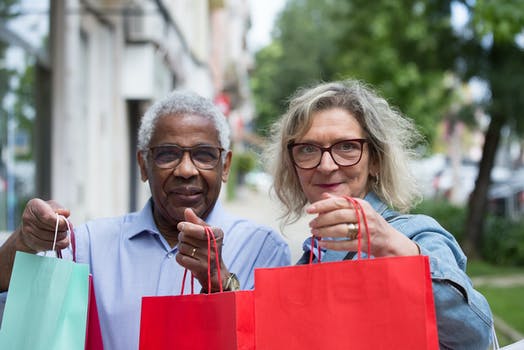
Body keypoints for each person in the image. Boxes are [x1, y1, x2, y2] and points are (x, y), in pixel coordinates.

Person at [0, 90, 291, 349]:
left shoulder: (264, 249)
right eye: (167, 154)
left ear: (225, 166)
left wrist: (219, 280)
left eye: (204, 155)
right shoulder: (84, 245)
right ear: (143, 165)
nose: (186, 170)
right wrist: (25, 240)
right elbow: (12, 302)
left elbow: (271, 340)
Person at [264, 79, 494, 349]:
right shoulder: (310, 257)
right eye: (307, 149)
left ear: (375, 160)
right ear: (293, 165)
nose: (326, 165)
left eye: (346, 146)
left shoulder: (414, 234)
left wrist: (393, 248)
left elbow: (474, 334)